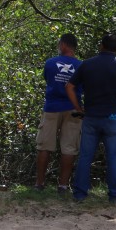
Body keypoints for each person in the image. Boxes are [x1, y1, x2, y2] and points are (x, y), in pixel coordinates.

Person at [65, 33, 116, 203]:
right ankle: (115, 195)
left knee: (85, 156)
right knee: (114, 157)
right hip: (113, 118)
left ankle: (79, 194)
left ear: (101, 46)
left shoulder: (87, 64)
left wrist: (79, 107)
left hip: (91, 117)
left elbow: (69, 86)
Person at [34, 34, 82, 193]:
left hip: (52, 108)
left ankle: (40, 184)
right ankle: (62, 185)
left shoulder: (51, 63)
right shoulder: (81, 66)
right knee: (69, 147)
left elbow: (48, 80)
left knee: (44, 146)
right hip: (74, 109)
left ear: (63, 45)